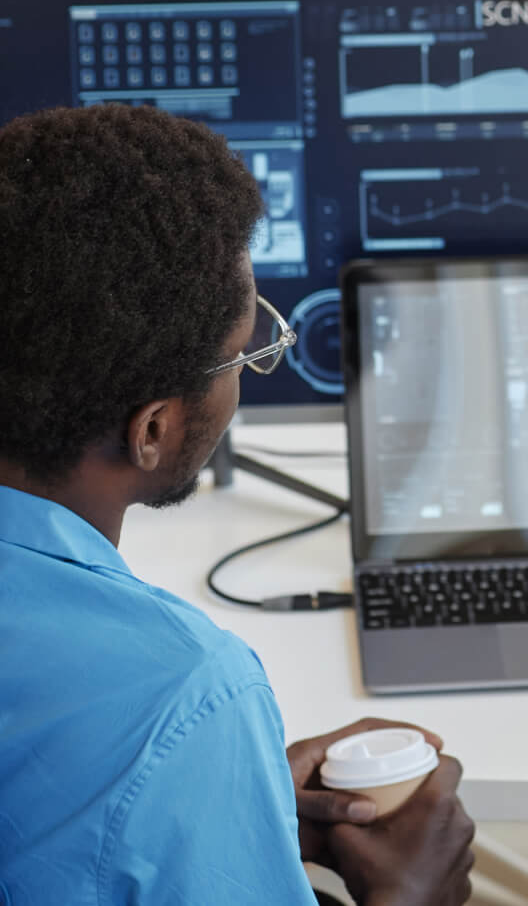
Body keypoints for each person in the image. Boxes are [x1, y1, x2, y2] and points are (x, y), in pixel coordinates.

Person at [0, 104, 476, 904]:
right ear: (152, 428)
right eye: (247, 350)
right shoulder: (179, 692)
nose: (252, 367)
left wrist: (208, 800)